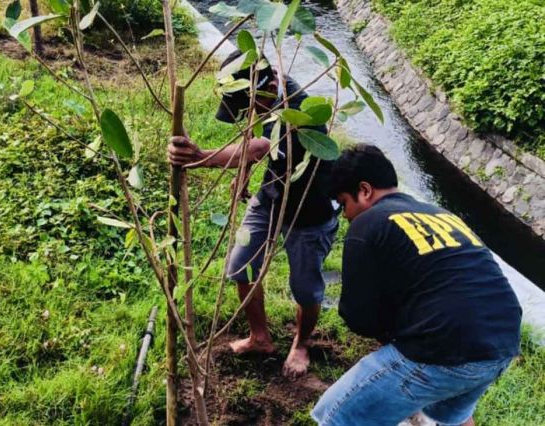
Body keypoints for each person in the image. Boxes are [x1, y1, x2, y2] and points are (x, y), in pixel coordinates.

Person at [311, 144, 522, 425]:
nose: (346, 215)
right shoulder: (440, 214)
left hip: (446, 345)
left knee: (335, 415)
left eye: (344, 203)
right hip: (503, 341)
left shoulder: (368, 223)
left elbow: (358, 316)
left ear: (364, 190)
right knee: (453, 418)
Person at [167, 50, 339, 378]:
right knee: (241, 266)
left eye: (250, 103)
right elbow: (253, 133)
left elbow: (261, 146)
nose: (249, 110)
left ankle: (301, 344)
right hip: (273, 193)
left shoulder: (301, 110)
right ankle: (260, 338)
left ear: (271, 83)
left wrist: (201, 157)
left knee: (304, 287)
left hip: (310, 208)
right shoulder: (261, 94)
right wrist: (243, 173)